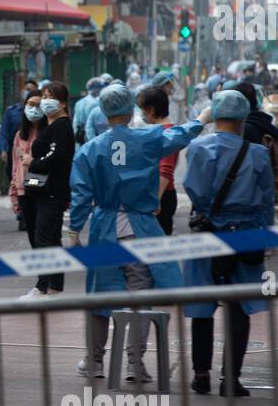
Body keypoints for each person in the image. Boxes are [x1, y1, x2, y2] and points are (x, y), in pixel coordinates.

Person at [66, 83, 206, 382]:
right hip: (140, 229)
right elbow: (179, 136)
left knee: (99, 297)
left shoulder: (91, 149)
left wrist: (74, 230)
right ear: (131, 110)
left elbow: (80, 194)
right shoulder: (148, 138)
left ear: (103, 112)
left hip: (105, 230)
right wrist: (202, 119)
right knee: (141, 298)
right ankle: (133, 362)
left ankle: (94, 361)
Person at [182, 90, 275, 396]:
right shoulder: (258, 153)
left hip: (206, 234)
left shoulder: (197, 148)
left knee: (202, 306)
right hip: (245, 235)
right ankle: (231, 379)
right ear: (243, 118)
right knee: (238, 308)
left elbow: (194, 190)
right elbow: (266, 201)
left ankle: (201, 374)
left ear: (215, 114)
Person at [20, 82, 74, 298]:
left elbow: (56, 157)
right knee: (50, 238)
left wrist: (32, 162)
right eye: (43, 96)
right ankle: (55, 285)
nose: (45, 100)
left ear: (62, 103)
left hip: (52, 190)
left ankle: (41, 287)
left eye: (50, 96)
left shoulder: (61, 126)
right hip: (39, 187)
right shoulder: (50, 126)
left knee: (43, 238)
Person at [137, 85, 179, 235]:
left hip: (161, 196)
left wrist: (155, 201)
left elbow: (166, 170)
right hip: (159, 194)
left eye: (142, 109)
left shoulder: (167, 133)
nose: (141, 114)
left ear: (151, 110)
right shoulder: (164, 130)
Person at [0, 77, 39, 209]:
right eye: (26, 90)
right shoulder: (12, 113)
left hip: (36, 172)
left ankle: (30, 205)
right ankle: (22, 212)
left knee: (32, 192)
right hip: (18, 161)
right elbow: (4, 131)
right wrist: (3, 149)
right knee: (16, 176)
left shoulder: (44, 131)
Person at [8, 88, 44, 236]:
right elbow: (16, 166)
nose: (33, 109)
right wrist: (14, 191)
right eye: (30, 105)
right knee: (31, 233)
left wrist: (30, 184)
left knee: (42, 232)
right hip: (24, 191)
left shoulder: (47, 133)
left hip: (41, 189)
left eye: (38, 105)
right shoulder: (19, 135)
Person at [73, 77, 105, 146]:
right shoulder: (95, 103)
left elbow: (75, 123)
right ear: (97, 89)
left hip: (79, 136)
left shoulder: (79, 102)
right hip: (90, 137)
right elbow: (92, 125)